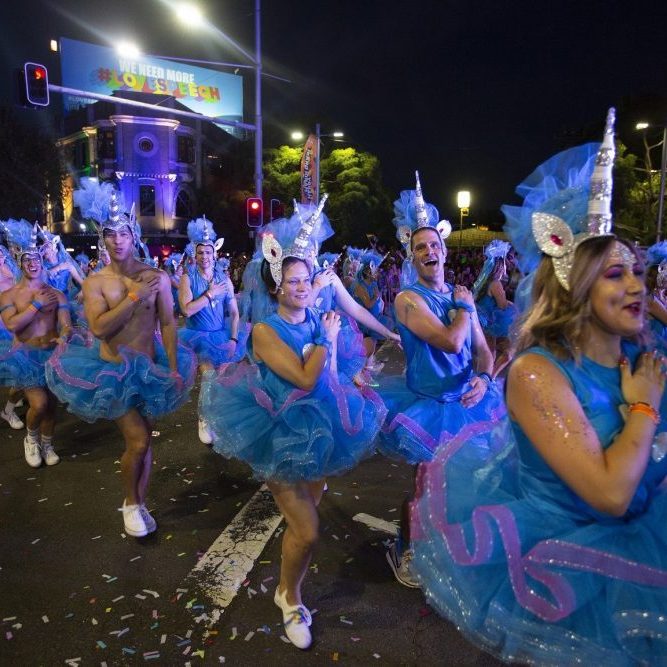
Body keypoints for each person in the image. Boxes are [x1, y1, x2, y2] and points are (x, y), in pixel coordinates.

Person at [412, 109, 667, 665]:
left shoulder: (642, 355)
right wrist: (645, 405)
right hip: (568, 565)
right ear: (574, 287)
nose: (636, 286)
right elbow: (608, 493)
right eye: (615, 273)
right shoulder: (537, 373)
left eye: (638, 271)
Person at [200, 198, 386, 650]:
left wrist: (355, 367)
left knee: (304, 526)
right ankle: (291, 598)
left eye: (306, 280)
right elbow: (304, 378)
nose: (302, 287)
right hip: (280, 434)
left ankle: (288, 585)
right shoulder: (266, 331)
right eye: (292, 281)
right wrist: (328, 336)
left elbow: (333, 374)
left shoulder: (321, 320)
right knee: (308, 529)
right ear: (276, 285)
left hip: (323, 429)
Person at [46, 180, 195, 537]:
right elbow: (97, 328)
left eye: (123, 233)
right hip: (111, 371)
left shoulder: (156, 277)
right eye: (110, 234)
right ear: (104, 238)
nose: (117, 240)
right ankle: (130, 503)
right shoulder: (95, 282)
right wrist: (131, 298)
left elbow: (168, 324)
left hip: (148, 368)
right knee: (139, 439)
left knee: (146, 440)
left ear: (133, 235)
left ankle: (140, 503)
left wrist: (173, 367)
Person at [378, 172, 504, 588]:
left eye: (434, 244)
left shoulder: (459, 294)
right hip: (429, 405)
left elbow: (484, 350)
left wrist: (485, 380)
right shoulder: (407, 299)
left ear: (444, 249)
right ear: (411, 257)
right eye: (420, 247)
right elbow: (452, 343)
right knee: (424, 484)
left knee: (464, 481)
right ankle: (406, 546)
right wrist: (465, 307)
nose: (428, 251)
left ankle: (445, 544)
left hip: (469, 400)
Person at [0, 220, 70, 467]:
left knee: (51, 406)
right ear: (20, 263)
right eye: (27, 260)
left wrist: (65, 335)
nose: (32, 264)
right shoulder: (8, 296)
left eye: (36, 260)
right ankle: (31, 439)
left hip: (52, 355)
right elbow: (11, 325)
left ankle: (47, 444)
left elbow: (66, 322)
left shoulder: (55, 292)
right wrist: (36, 304)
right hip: (26, 357)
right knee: (38, 404)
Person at [178, 217, 242, 444]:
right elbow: (186, 311)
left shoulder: (225, 280)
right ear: (194, 256)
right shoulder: (187, 278)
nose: (205, 257)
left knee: (222, 379)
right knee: (208, 375)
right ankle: (204, 419)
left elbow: (234, 313)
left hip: (221, 336)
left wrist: (234, 338)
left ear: (215, 254)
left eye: (208, 252)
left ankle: (216, 417)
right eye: (200, 253)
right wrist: (209, 295)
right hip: (197, 336)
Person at [472, 240, 518, 376]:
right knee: (507, 353)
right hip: (493, 324)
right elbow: (502, 305)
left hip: (486, 325)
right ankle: (488, 380)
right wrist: (512, 305)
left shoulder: (485, 284)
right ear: (500, 264)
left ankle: (488, 380)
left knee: (490, 356)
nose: (508, 264)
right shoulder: (495, 284)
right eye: (506, 261)